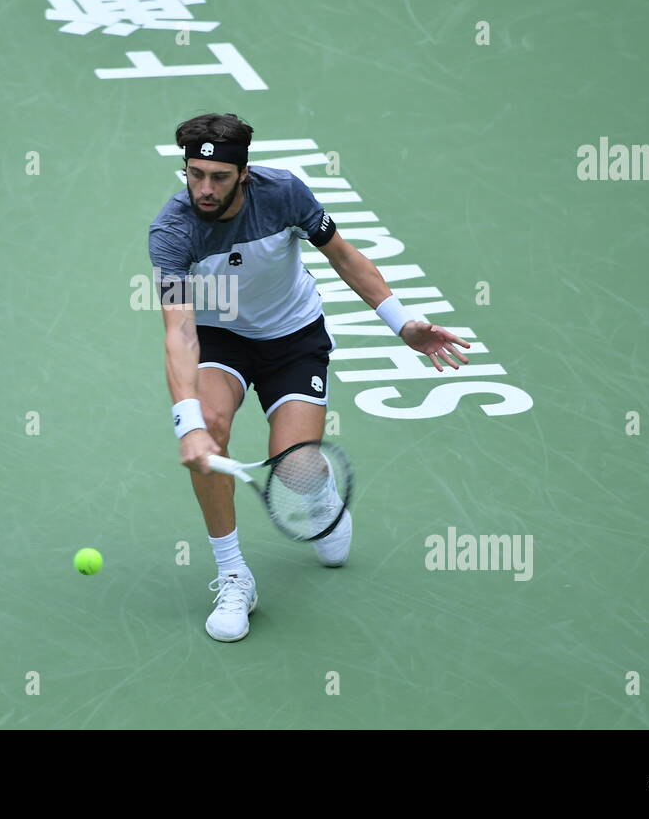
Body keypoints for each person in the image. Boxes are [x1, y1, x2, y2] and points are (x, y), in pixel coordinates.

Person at [148, 112, 472, 642]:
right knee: (208, 428)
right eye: (194, 174)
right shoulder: (172, 231)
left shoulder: (285, 193)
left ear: (244, 173)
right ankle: (234, 575)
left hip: (292, 337)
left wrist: (403, 323)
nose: (204, 189)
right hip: (220, 338)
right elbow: (180, 334)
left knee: (295, 467)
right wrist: (188, 425)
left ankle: (317, 494)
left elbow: (343, 256)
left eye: (219, 177)